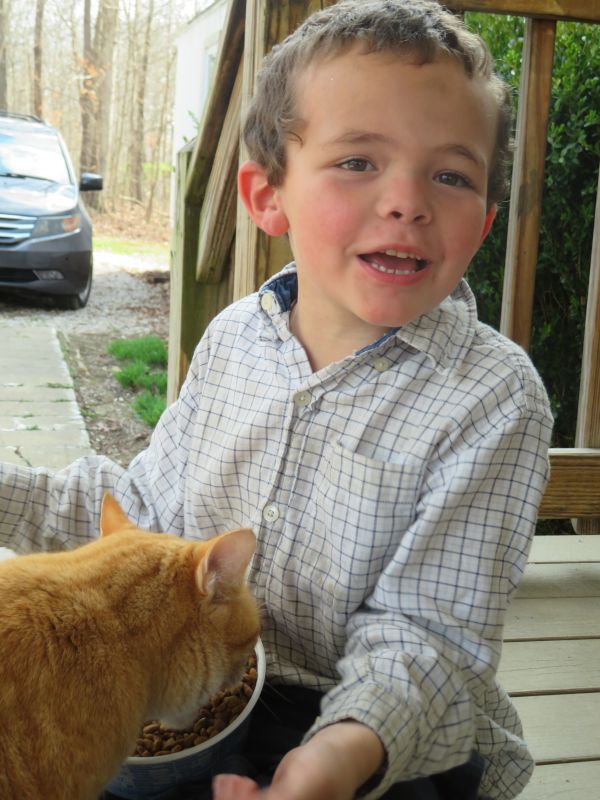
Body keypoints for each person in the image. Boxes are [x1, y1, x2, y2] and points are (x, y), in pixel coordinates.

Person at [0, 1, 553, 798]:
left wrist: (335, 758)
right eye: (359, 162)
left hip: (378, 730)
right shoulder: (236, 340)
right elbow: (144, 506)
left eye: (451, 174)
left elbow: (429, 642)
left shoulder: (493, 399)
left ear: (485, 220)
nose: (408, 200)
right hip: (207, 683)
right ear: (267, 196)